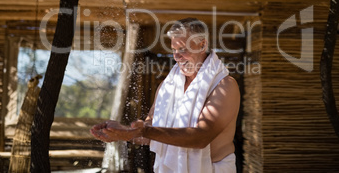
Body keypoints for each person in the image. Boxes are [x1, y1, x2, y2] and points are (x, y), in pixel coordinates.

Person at [91, 18, 240, 173]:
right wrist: (123, 132)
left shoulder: (225, 86)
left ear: (202, 45)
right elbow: (150, 134)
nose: (177, 56)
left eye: (182, 49)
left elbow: (200, 138)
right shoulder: (166, 86)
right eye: (174, 50)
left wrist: (143, 131)